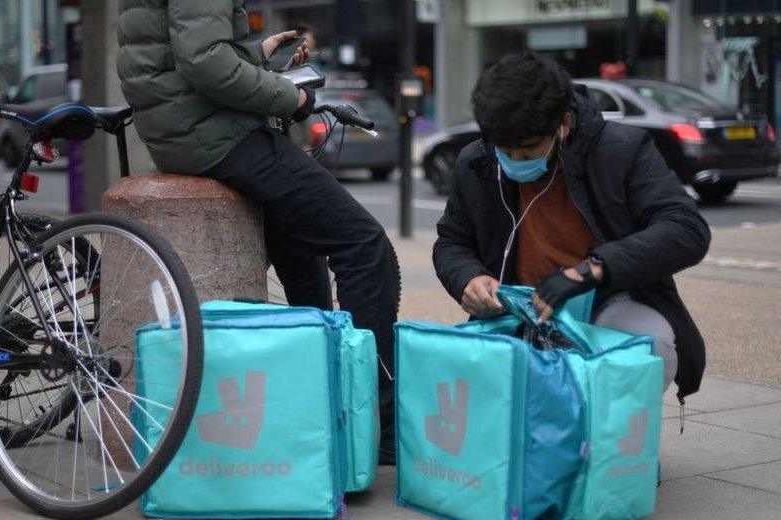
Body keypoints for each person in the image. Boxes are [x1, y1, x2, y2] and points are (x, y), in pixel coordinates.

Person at [117, 3, 400, 461]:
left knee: (299, 248)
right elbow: (206, 63)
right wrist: (293, 98)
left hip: (186, 128)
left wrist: (255, 52)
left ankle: (324, 400)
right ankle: (380, 424)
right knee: (361, 240)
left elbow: (186, 51)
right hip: (215, 133)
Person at [433, 52, 711, 402]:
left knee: (646, 345)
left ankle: (605, 439)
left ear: (563, 124)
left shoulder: (621, 151)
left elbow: (687, 229)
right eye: (506, 150)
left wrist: (590, 270)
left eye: (529, 148)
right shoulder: (477, 162)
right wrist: (468, 278)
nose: (516, 160)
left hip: (608, 302)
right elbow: (451, 242)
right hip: (520, 311)